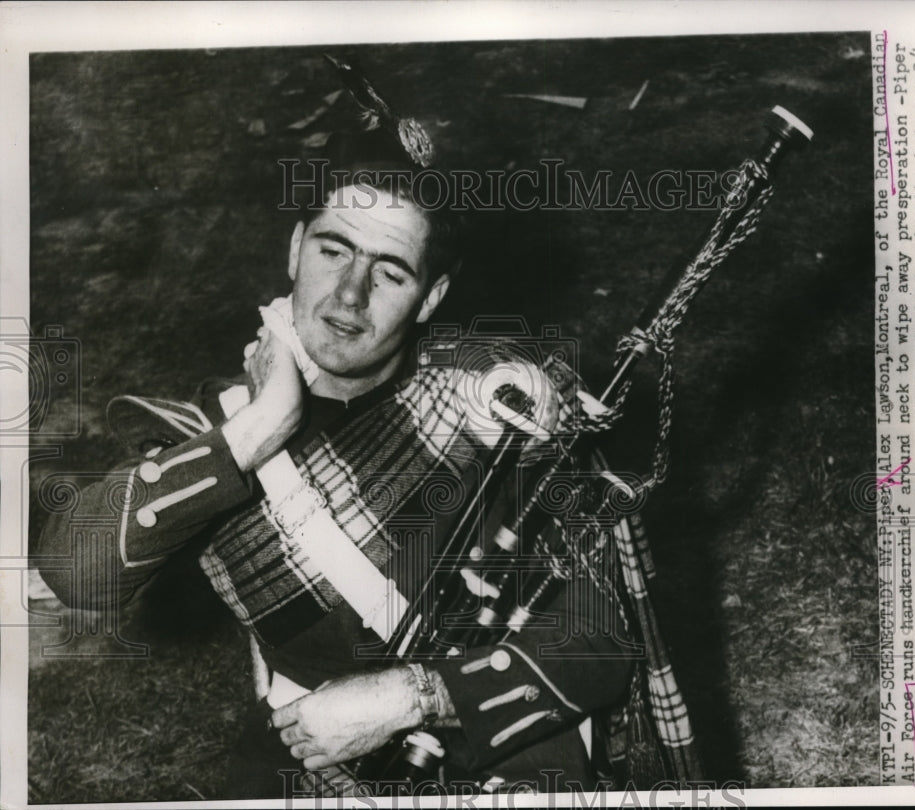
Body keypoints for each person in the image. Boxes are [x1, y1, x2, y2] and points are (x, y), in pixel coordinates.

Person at [36, 61, 665, 799]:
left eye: (390, 272)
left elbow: (599, 641)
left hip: (498, 742)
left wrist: (412, 696)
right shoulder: (221, 432)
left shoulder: (489, 401)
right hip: (319, 749)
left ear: (429, 299)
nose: (349, 294)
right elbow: (74, 571)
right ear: (295, 249)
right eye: (334, 250)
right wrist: (261, 430)